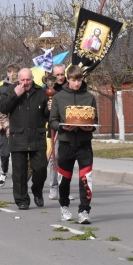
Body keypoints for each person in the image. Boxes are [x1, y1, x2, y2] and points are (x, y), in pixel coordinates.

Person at [48, 65, 97, 223]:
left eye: (79, 80)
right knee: (64, 179)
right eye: (74, 80)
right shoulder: (59, 97)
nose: (77, 83)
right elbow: (52, 121)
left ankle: (84, 211)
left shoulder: (89, 97)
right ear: (68, 80)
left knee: (86, 179)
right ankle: (64, 207)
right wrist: (62, 127)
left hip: (84, 144)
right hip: (66, 144)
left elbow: (94, 121)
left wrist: (89, 127)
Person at [0, 67, 51, 210]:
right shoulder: (10, 90)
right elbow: (2, 108)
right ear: (18, 79)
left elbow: (47, 115)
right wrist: (15, 95)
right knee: (19, 172)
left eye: (28, 80)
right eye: (22, 80)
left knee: (40, 168)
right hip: (18, 137)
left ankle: (37, 191)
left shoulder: (41, 92)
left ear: (32, 79)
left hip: (37, 137)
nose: (25, 83)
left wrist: (49, 109)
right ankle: (22, 200)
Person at [46, 64, 74, 201]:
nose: (60, 77)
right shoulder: (48, 89)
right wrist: (48, 107)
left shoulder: (69, 88)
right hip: (54, 128)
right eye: (57, 75)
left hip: (68, 128)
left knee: (67, 158)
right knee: (55, 157)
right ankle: (54, 187)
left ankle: (65, 188)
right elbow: (43, 112)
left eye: (62, 74)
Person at [0, 63, 21, 187]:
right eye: (12, 74)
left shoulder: (22, 89)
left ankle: (16, 177)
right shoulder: (1, 89)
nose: (14, 77)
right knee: (5, 153)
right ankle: (4, 171)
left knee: (17, 154)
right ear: (8, 74)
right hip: (4, 125)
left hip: (18, 125)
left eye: (17, 75)